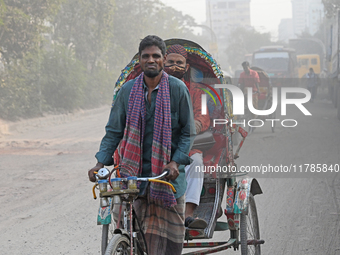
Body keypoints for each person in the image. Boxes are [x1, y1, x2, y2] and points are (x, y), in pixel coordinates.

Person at [88, 35, 195, 255]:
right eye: (146, 56)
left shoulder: (177, 89)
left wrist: (175, 162)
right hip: (133, 178)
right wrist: (99, 163)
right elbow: (113, 131)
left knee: (169, 246)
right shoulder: (127, 91)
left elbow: (188, 132)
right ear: (140, 61)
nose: (151, 60)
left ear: (163, 59)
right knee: (129, 234)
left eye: (156, 56)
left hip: (167, 177)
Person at [164, 44, 210, 229]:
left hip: (187, 144)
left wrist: (192, 126)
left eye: (179, 63)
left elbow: (204, 116)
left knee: (196, 164)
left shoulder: (198, 92)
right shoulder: (153, 87)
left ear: (186, 67)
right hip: (157, 145)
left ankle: (188, 214)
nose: (175, 66)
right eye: (171, 62)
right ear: (163, 64)